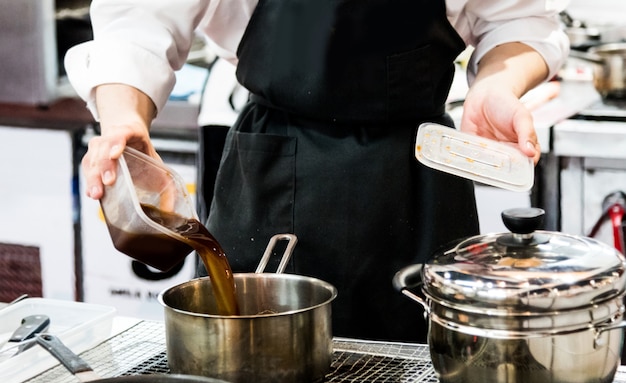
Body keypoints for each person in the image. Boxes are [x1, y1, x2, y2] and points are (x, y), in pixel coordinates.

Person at [66, 1, 570, 343]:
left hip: (419, 174)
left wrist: (497, 85)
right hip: (273, 167)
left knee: (430, 382)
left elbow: (518, 20)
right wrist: (124, 114)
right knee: (251, 370)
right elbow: (141, 15)